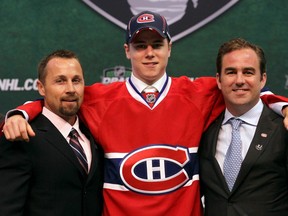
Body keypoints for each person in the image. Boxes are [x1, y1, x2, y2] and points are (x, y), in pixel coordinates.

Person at [2, 11, 288, 216]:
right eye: (140, 46)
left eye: (156, 45)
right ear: (127, 51)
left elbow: (247, 91)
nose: (149, 53)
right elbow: (57, 99)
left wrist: (282, 105)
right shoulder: (98, 98)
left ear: (169, 48)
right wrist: (20, 113)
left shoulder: (198, 93)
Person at [0, 50, 104, 216]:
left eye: (76, 80)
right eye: (60, 81)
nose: (71, 89)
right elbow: (7, 208)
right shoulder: (21, 135)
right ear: (41, 88)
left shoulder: (93, 132)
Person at [199, 38, 288, 215]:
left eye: (248, 72)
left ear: (262, 79)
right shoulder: (204, 128)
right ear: (218, 79)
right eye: (231, 72)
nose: (239, 80)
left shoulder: (283, 128)